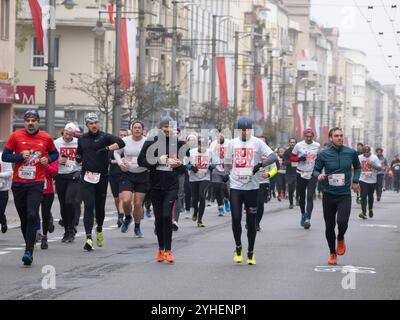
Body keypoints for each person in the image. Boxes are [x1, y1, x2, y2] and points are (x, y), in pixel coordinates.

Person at [1, 110, 59, 266]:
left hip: (36, 182)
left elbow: (55, 154)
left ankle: (28, 250)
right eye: (28, 120)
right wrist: (20, 156)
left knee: (33, 214)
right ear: (24, 122)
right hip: (19, 183)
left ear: (38, 122)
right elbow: (5, 156)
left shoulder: (46, 137)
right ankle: (30, 243)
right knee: (24, 218)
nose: (31, 123)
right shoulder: (16, 136)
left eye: (34, 120)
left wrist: (48, 158)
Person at [225, 117, 277, 265]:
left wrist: (260, 164)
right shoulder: (232, 143)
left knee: (251, 222)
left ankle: (251, 252)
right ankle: (238, 247)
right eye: (242, 130)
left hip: (252, 188)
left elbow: (273, 157)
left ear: (251, 130)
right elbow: (228, 162)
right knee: (235, 219)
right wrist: (225, 174)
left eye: (247, 130)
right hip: (236, 187)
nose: (245, 132)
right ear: (238, 130)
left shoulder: (257, 142)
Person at [138, 117, 187, 264]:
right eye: (165, 126)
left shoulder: (180, 144)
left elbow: (185, 168)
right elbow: (141, 161)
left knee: (167, 216)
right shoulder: (151, 142)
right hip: (155, 186)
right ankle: (160, 249)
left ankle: (169, 250)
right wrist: (157, 160)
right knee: (159, 219)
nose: (167, 129)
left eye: (170, 127)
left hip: (171, 186)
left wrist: (179, 165)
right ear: (160, 128)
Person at [75, 113, 125, 251]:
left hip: (102, 177)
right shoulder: (82, 139)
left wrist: (108, 148)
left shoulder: (105, 137)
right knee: (89, 206)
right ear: (87, 125)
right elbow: (79, 153)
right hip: (87, 177)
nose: (94, 125)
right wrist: (78, 157)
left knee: (100, 208)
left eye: (96, 122)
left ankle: (99, 229)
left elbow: (122, 143)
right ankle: (88, 238)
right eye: (91, 123)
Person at [313, 127, 361, 265]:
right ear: (331, 138)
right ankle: (332, 254)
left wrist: (356, 181)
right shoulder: (324, 154)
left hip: (344, 195)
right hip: (328, 194)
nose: (339, 138)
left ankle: (340, 237)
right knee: (329, 226)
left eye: (341, 135)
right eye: (336, 136)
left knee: (342, 222)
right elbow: (315, 170)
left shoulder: (351, 152)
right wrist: (319, 175)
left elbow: (357, 167)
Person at [114, 121, 148, 238]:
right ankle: (128, 217)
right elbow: (116, 153)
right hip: (127, 173)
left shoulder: (147, 142)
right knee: (126, 200)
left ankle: (137, 227)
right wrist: (120, 164)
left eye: (139, 128)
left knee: (138, 204)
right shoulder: (125, 141)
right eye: (135, 127)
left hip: (142, 174)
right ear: (131, 129)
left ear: (143, 130)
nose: (137, 129)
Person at [54, 123, 82, 242]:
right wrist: (57, 160)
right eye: (66, 133)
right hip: (60, 176)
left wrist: (77, 163)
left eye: (70, 135)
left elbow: (82, 158)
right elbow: (51, 157)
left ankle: (71, 228)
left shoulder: (78, 143)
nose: (67, 136)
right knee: (63, 205)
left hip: (74, 175)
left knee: (70, 201)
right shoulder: (57, 143)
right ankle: (67, 230)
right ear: (63, 132)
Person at [289, 128, 320, 229]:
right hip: (300, 173)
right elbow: (292, 157)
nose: (309, 138)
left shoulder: (317, 145)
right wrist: (299, 159)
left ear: (313, 136)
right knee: (302, 197)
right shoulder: (298, 145)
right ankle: (303, 214)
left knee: (310, 196)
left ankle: (308, 219)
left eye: (310, 136)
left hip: (311, 174)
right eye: (307, 136)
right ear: (304, 136)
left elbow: (319, 157)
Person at [187, 137, 212, 227]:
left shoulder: (210, 152)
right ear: (198, 145)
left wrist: (211, 167)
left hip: (205, 178)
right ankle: (195, 211)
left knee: (202, 196)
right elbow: (185, 163)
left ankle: (200, 220)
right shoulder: (191, 152)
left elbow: (215, 162)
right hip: (193, 178)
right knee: (194, 198)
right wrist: (191, 167)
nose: (202, 146)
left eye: (204, 144)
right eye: (200, 144)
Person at [256, 137, 278, 232]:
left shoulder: (269, 155)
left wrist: (269, 174)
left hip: (263, 182)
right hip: (250, 182)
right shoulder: (252, 152)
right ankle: (250, 221)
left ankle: (256, 223)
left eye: (263, 142)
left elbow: (275, 169)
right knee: (250, 204)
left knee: (260, 203)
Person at [109, 128, 129, 228]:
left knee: (122, 197)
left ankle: (121, 217)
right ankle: (119, 214)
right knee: (116, 198)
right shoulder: (113, 146)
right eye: (121, 135)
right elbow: (109, 160)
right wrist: (119, 161)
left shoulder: (128, 146)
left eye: (124, 135)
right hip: (113, 174)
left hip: (125, 174)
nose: (122, 137)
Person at [209, 130, 231, 216]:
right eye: (218, 135)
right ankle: (220, 207)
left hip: (226, 168)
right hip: (216, 168)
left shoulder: (229, 143)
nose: (219, 137)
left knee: (225, 187)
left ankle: (226, 199)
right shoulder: (213, 144)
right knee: (217, 188)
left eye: (221, 135)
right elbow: (209, 155)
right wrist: (210, 165)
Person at [39, 154, 58, 249]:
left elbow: (54, 172)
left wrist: (45, 164)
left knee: (45, 214)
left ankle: (44, 237)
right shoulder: (31, 155)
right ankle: (35, 233)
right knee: (32, 213)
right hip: (32, 188)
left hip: (47, 190)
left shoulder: (50, 156)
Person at [358, 145, 381, 219]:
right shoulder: (360, 157)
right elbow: (356, 166)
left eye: (367, 152)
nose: (366, 154)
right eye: (365, 153)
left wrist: (372, 164)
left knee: (370, 196)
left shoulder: (374, 157)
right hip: (362, 179)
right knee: (363, 196)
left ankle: (370, 209)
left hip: (372, 180)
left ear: (370, 151)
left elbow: (379, 168)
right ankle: (364, 212)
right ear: (363, 152)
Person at [283, 138, 298, 209]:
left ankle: (298, 199)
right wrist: (291, 161)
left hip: (298, 171)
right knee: (291, 189)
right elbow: (284, 162)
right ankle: (291, 203)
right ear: (289, 143)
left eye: (294, 142)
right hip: (289, 173)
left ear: (296, 143)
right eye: (291, 142)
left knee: (298, 187)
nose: (292, 143)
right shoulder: (286, 152)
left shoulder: (299, 151)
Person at [0, 148, 13, 234]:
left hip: (2, 189)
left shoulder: (3, 156)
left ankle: (3, 220)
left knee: (0, 210)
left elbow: (9, 172)